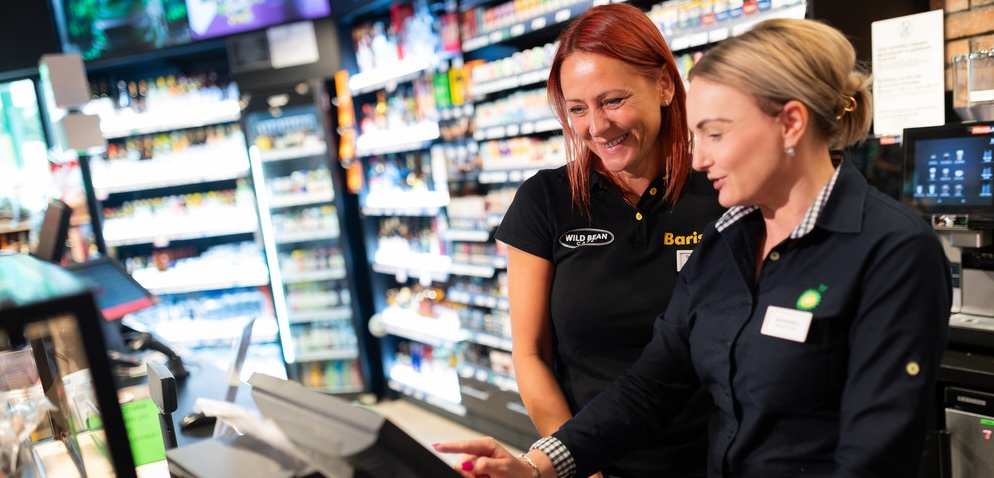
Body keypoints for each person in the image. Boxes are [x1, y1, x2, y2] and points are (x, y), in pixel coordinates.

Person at [435, 16, 952, 478]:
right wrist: (541, 466)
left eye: (715, 134)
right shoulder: (730, 238)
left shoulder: (894, 251)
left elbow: (875, 453)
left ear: (791, 123)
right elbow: (654, 383)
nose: (697, 159)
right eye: (696, 134)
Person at [491, 3, 725, 478]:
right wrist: (581, 466)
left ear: (663, 84)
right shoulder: (546, 200)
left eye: (613, 100)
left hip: (719, 459)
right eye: (577, 109)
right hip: (594, 460)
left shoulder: (722, 188)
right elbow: (530, 354)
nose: (596, 127)